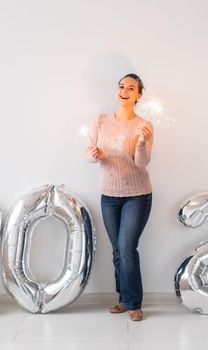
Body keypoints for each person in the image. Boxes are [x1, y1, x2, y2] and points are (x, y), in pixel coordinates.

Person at [86, 73, 154, 321]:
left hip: (137, 194)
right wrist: (94, 154)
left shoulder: (143, 125)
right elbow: (89, 152)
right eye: (121, 86)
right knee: (117, 250)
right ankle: (123, 299)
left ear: (139, 96)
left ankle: (134, 303)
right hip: (109, 194)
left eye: (131, 87)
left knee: (127, 247)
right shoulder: (101, 121)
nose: (125, 90)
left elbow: (142, 163)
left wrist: (141, 144)